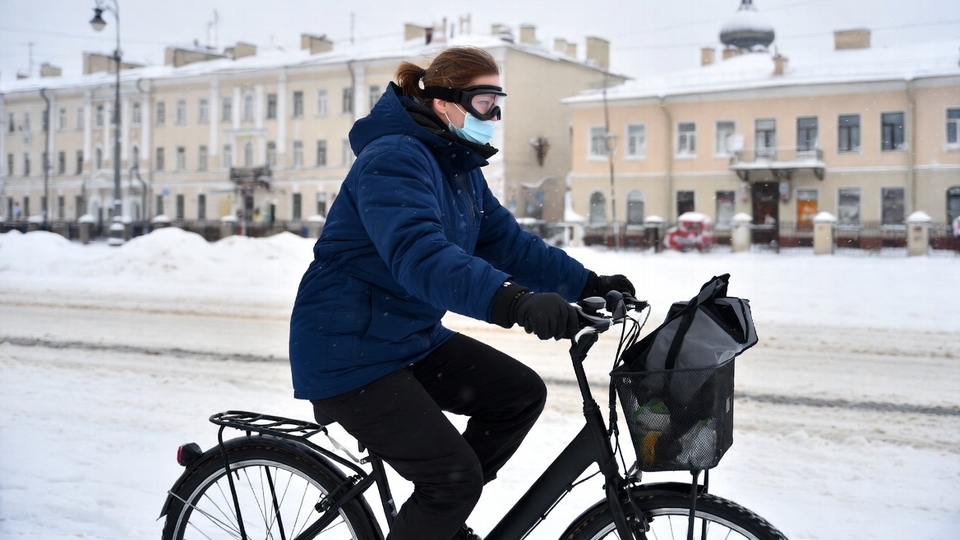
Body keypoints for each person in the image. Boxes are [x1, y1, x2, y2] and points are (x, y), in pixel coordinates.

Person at [288, 46, 634, 540]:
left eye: (497, 103)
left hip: (408, 338)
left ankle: (437, 522)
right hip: (348, 351)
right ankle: (443, 503)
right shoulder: (393, 160)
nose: (492, 116)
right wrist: (516, 302)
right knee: (452, 481)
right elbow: (420, 256)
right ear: (442, 102)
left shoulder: (457, 167)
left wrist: (588, 284)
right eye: (482, 102)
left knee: (518, 396)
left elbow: (508, 244)